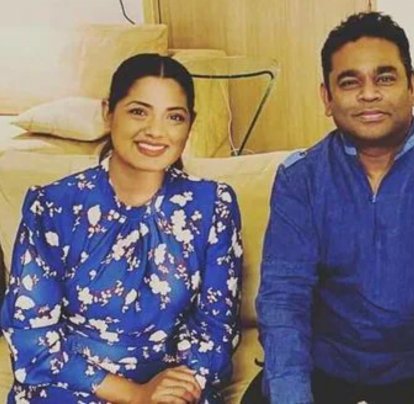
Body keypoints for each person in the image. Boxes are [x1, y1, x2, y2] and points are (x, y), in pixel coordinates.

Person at [243, 11, 414, 404]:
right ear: (327, 98)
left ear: (413, 87)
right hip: (326, 369)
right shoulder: (300, 178)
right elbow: (284, 298)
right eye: (350, 82)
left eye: (385, 78)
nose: (369, 94)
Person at [0, 53, 243, 404]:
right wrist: (133, 394)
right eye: (139, 112)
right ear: (108, 112)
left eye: (174, 117)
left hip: (168, 389)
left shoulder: (213, 205)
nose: (156, 131)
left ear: (190, 125)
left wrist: (174, 387)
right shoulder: (53, 206)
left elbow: (215, 329)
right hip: (70, 386)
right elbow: (31, 338)